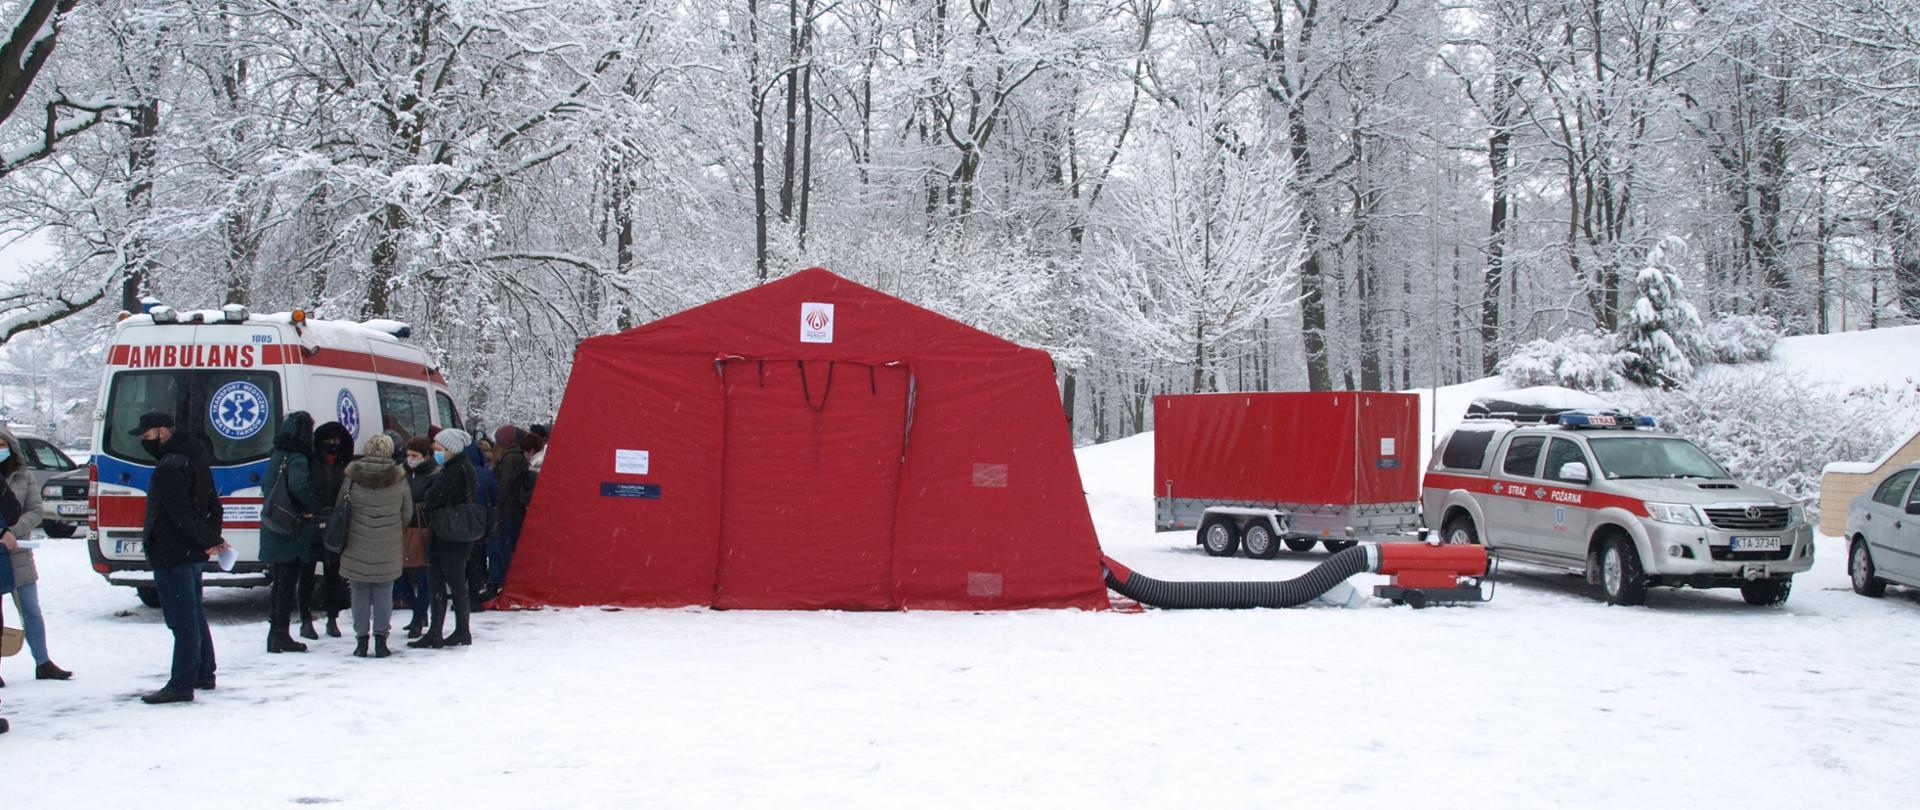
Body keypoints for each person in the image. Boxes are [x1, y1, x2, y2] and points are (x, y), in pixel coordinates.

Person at [133, 413, 229, 704]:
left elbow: (179, 512)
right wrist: (210, 538)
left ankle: (181, 683)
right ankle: (203, 672)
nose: (142, 440)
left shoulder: (169, 465)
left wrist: (210, 539)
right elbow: (213, 502)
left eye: (146, 434)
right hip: (190, 551)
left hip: (171, 551)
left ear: (162, 431)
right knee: (194, 614)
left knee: (181, 619)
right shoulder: (196, 456)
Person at [0, 427, 73, 685]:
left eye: (2, 444)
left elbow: (35, 511)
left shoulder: (24, 476)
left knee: (30, 609)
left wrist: (11, 532)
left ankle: (43, 662)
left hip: (18, 552)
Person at [338, 433, 412, 659]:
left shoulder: (352, 476)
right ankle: (381, 640)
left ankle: (361, 641)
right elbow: (406, 512)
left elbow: (342, 506)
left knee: (359, 591)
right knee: (383, 592)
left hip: (356, 542)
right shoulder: (399, 478)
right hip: (387, 545)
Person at [412, 428, 476, 649]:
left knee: (444, 581)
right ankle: (454, 630)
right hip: (455, 533)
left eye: (440, 449)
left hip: (449, 533)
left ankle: (447, 631)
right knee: (449, 581)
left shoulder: (455, 470)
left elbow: (434, 496)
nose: (436, 453)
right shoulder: (462, 467)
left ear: (451, 450)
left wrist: (429, 499)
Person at [259, 412, 318, 654]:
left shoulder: (278, 454)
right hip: (290, 528)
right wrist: (311, 508)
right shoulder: (298, 457)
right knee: (287, 583)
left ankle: (275, 633)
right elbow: (298, 486)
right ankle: (281, 635)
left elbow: (267, 486)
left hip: (273, 524)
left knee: (278, 583)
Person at [304, 422, 354, 638]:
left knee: (332, 575)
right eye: (328, 441)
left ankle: (332, 619)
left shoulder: (344, 466)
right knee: (306, 574)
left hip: (334, 525)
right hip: (310, 525)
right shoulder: (310, 463)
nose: (332, 446)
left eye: (336, 441)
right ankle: (306, 620)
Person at [486, 429, 539, 600]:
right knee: (503, 548)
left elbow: (504, 486)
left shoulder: (508, 457)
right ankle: (499, 582)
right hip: (509, 511)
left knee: (500, 548)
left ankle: (496, 583)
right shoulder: (515, 458)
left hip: (505, 511)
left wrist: (496, 505)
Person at [400, 437, 438, 637]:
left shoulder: (433, 473)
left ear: (425, 456)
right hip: (403, 528)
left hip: (423, 528)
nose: (410, 459)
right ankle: (416, 609)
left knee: (424, 574)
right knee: (399, 574)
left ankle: (419, 615)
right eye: (408, 455)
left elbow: (432, 499)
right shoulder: (401, 472)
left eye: (415, 456)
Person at [464, 439, 500, 609]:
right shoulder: (485, 473)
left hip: (457, 520)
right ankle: (473, 595)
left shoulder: (456, 471)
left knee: (459, 561)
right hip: (479, 521)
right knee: (476, 560)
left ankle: (461, 597)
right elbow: (495, 496)